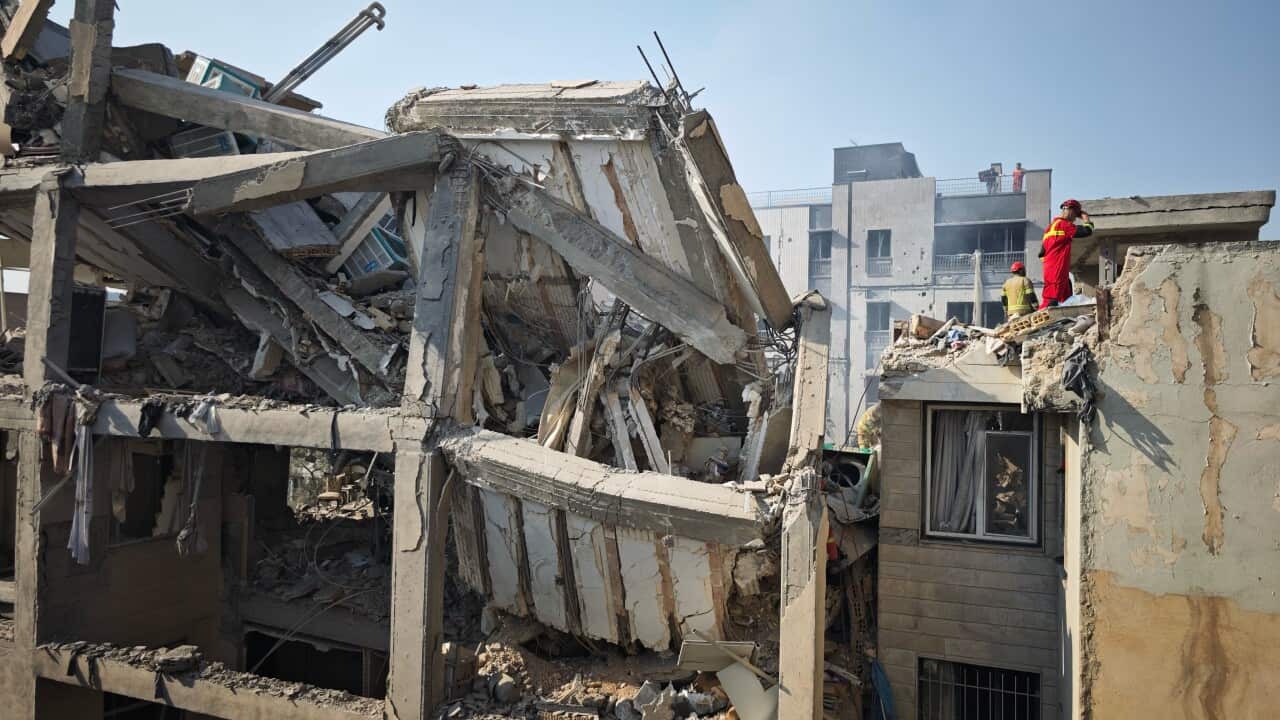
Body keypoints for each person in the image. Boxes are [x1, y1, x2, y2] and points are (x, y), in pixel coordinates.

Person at [1038, 199, 1094, 308]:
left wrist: (1050, 263)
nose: (1074, 219)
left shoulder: (1049, 228)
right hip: (1057, 267)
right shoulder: (1064, 225)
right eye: (1075, 215)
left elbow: (1041, 253)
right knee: (1052, 301)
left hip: (1050, 268)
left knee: (1066, 295)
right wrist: (1085, 218)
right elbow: (1087, 231)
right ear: (1071, 211)